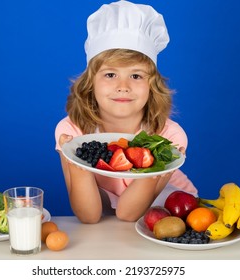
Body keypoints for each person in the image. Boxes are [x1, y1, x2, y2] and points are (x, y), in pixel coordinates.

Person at [55, 0, 197, 223]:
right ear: (90, 83)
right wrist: (74, 155)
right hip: (109, 225)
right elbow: (89, 216)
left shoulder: (169, 137)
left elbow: (127, 214)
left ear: (152, 85)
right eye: (110, 75)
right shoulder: (71, 130)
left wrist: (161, 163)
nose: (123, 86)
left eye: (136, 75)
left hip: (170, 208)